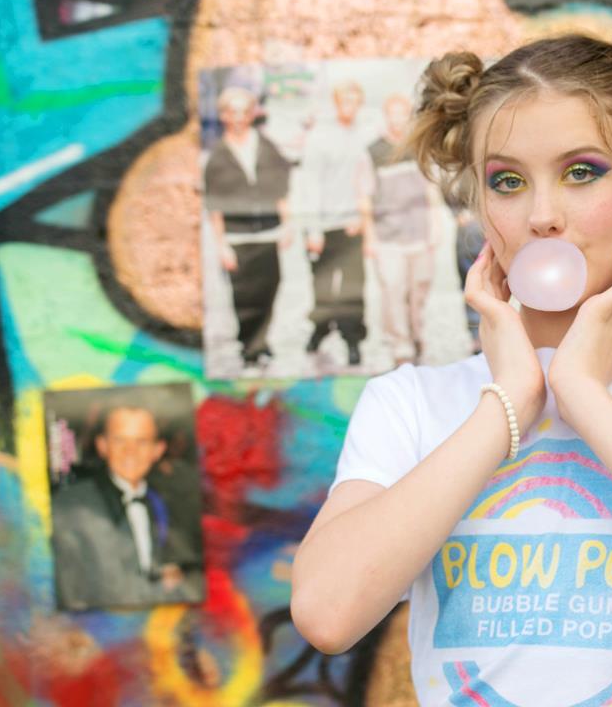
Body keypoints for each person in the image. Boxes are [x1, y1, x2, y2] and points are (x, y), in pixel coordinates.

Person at [291, 18, 612, 705]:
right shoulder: (411, 402)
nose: (542, 215)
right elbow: (327, 614)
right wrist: (510, 399)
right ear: (481, 207)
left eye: (581, 172)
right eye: (507, 181)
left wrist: (582, 392)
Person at [51, 403, 205, 610]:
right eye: (119, 440)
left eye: (141, 441)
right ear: (102, 446)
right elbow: (70, 593)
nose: (130, 452)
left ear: (158, 450)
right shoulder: (72, 506)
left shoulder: (166, 502)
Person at [203, 85, 294, 370]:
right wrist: (221, 245)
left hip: (268, 232)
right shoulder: (217, 157)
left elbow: (281, 189)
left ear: (252, 114)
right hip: (237, 237)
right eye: (233, 112)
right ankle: (249, 346)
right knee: (244, 295)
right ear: (224, 116)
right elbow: (214, 206)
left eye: (244, 111)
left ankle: (262, 341)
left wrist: (288, 224)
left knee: (269, 288)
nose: (239, 117)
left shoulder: (266, 147)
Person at [294, 80, 375, 365]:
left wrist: (361, 218)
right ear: (336, 103)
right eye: (344, 100)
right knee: (323, 287)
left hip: (350, 225)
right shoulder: (320, 137)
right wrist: (313, 230)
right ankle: (320, 329)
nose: (349, 106)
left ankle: (352, 340)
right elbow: (310, 185)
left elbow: (366, 181)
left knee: (353, 287)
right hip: (324, 227)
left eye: (354, 101)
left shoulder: (362, 136)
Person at [362, 93, 443, 366]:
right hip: (388, 237)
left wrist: (435, 225)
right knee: (393, 292)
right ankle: (400, 344)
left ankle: (417, 333)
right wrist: (370, 237)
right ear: (386, 117)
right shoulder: (373, 152)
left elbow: (431, 188)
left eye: (403, 114)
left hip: (419, 233)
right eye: (393, 114)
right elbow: (364, 197)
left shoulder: (419, 147)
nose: (398, 120)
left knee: (419, 289)